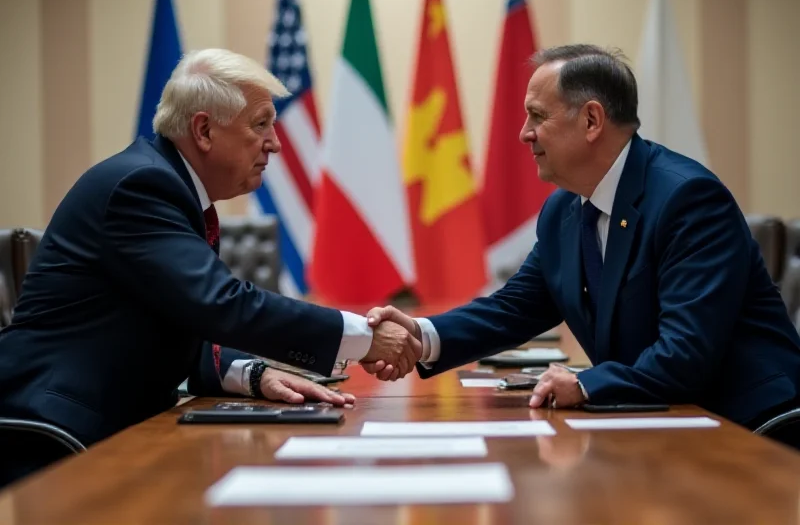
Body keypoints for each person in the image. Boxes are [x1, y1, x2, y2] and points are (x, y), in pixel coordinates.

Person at [0, 48, 419, 478]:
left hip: (112, 429)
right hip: (54, 435)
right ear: (203, 130)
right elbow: (221, 305)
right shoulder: (142, 186)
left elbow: (176, 320)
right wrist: (363, 337)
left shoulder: (169, 185)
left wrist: (253, 375)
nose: (275, 143)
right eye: (260, 125)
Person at [365, 44, 800, 432]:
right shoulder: (565, 209)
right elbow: (516, 307)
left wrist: (586, 384)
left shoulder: (686, 198)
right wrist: (423, 336)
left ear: (592, 120)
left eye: (538, 115)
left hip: (751, 426)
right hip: (665, 417)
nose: (524, 133)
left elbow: (686, 354)